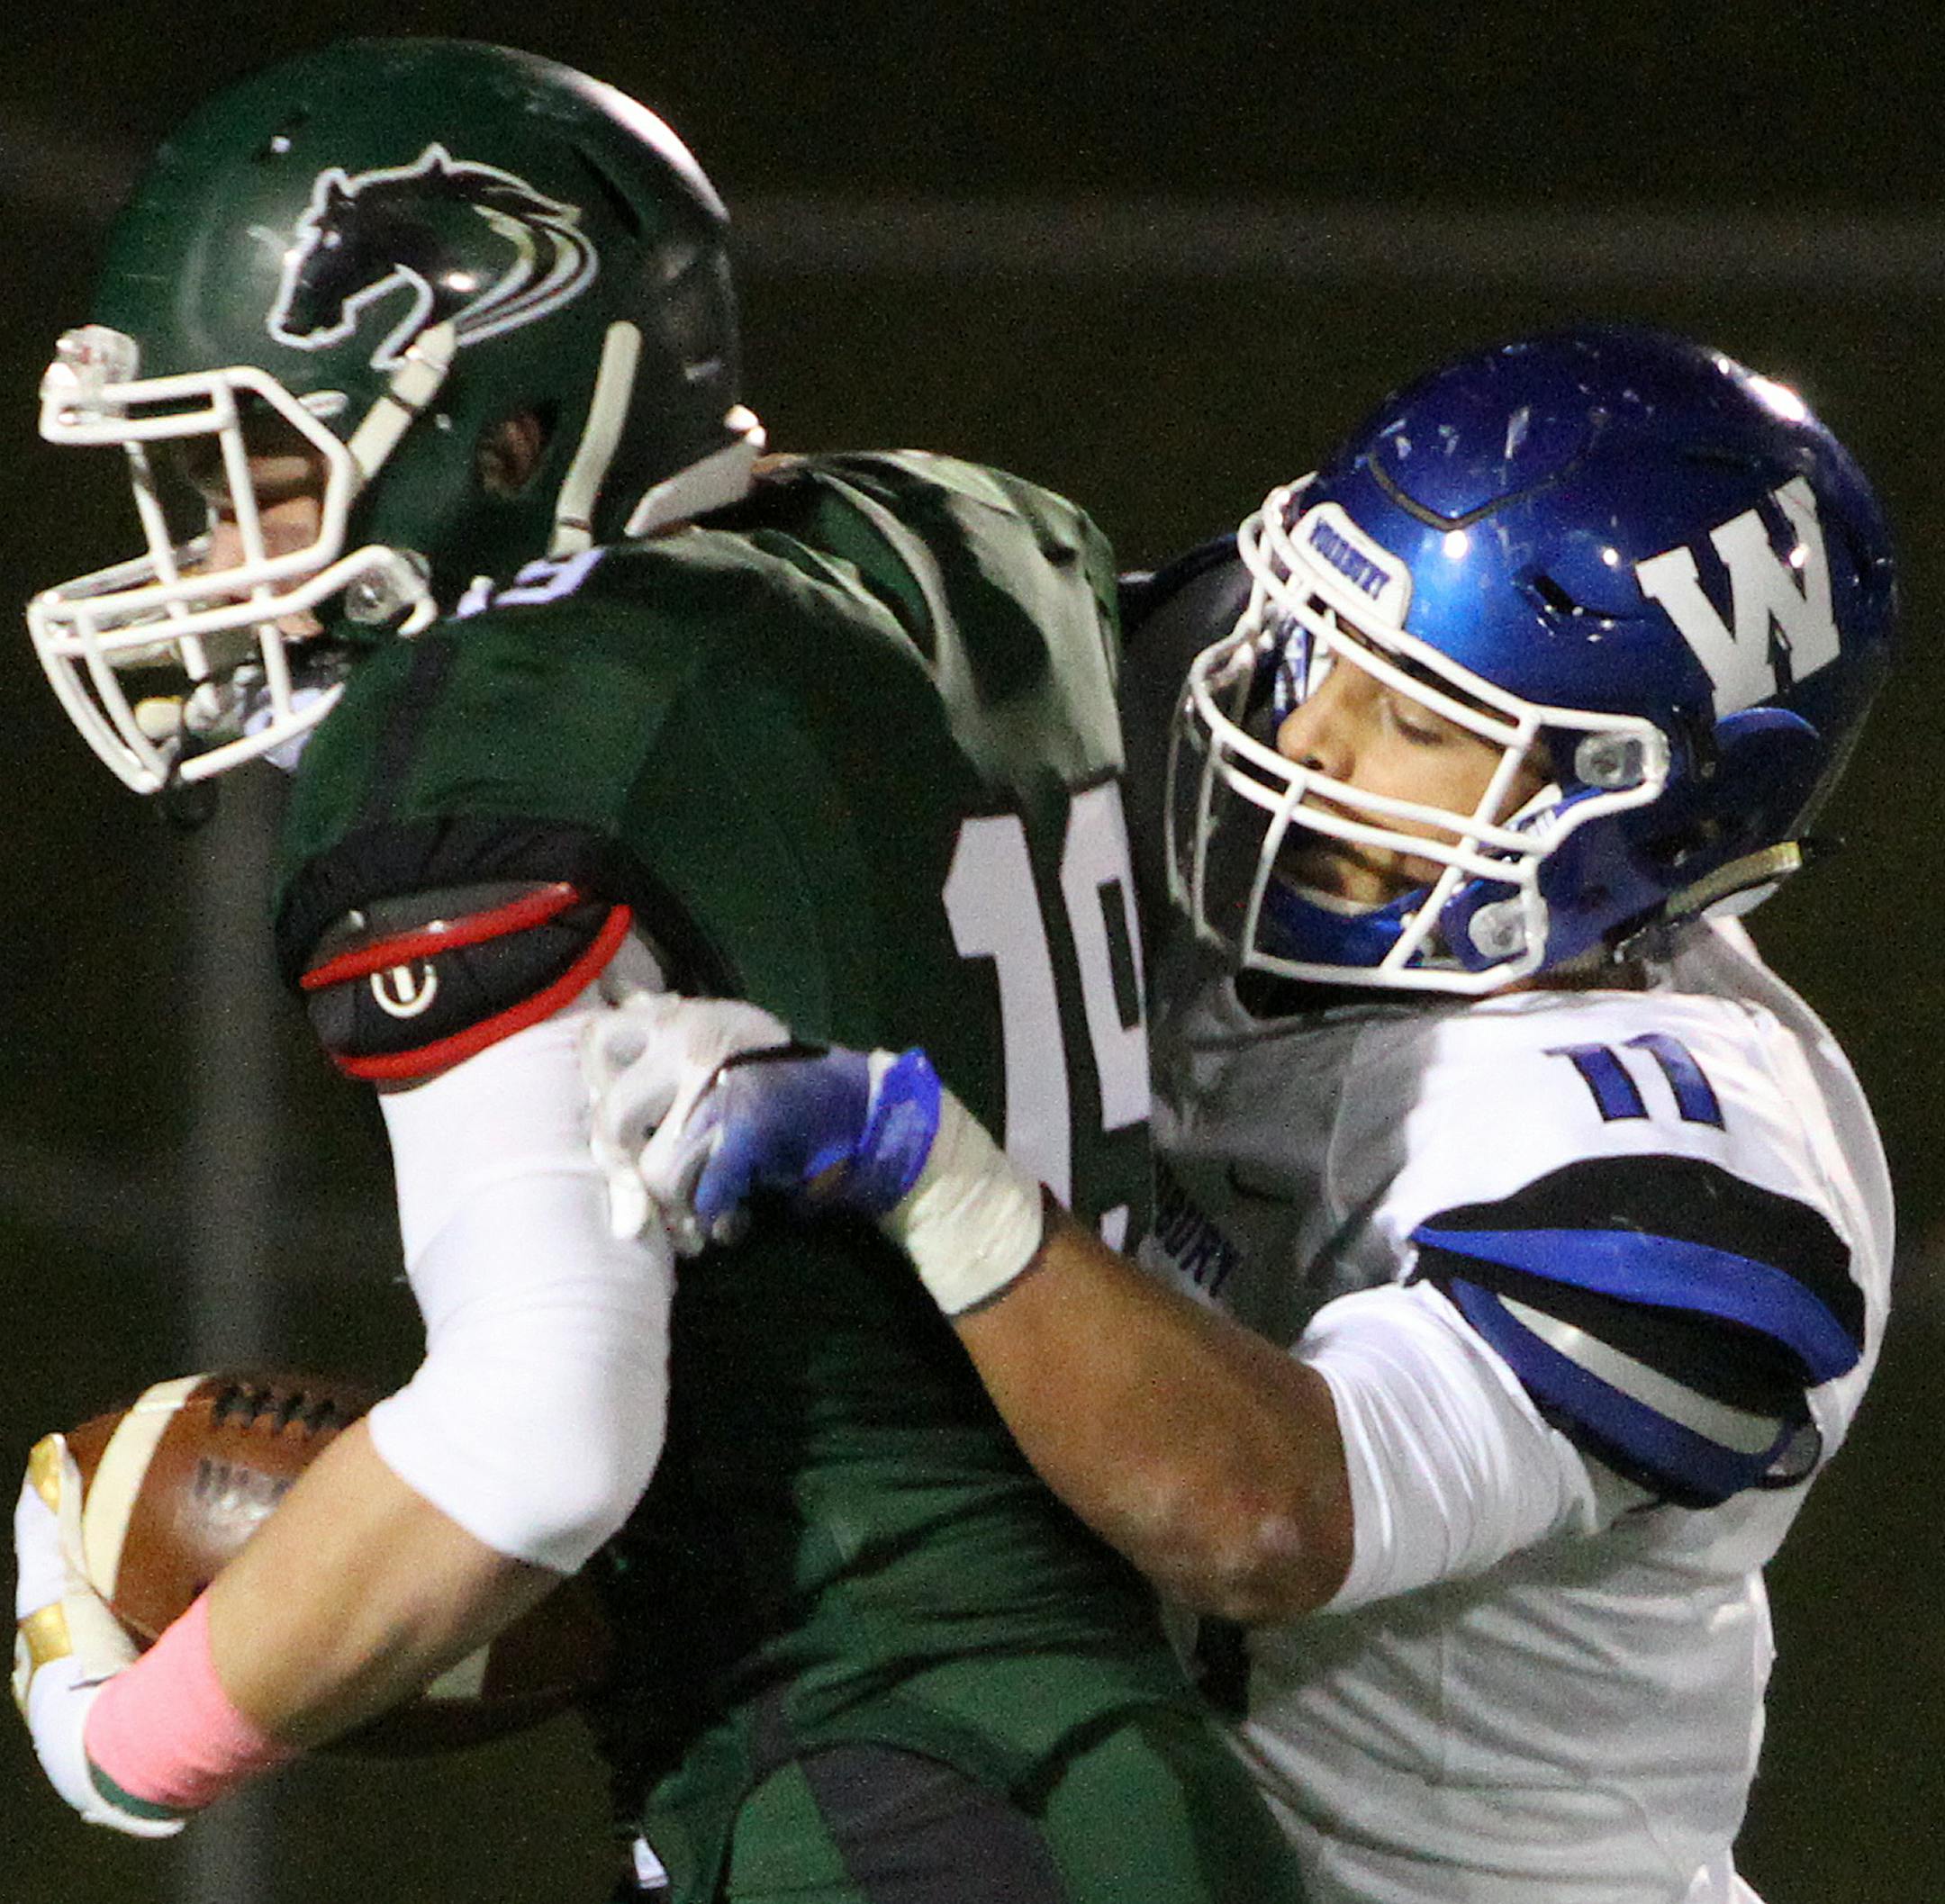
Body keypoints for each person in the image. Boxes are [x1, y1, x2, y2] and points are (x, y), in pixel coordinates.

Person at [9, 38, 1308, 1904]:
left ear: (511, 435)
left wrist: (137, 1736)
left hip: (880, 1786)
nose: (216, 559)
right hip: (1130, 1773)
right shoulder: (978, 546)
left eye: (270, 481)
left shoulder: (511, 722)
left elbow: (541, 1432)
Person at [593, 328, 1899, 1904]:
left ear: (1658, 807)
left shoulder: (1685, 1162)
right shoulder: (1289, 750)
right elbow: (945, 641)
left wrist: (927, 1168)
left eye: (1421, 720)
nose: (1306, 739)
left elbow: (1257, 1518)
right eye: (1322, 640)